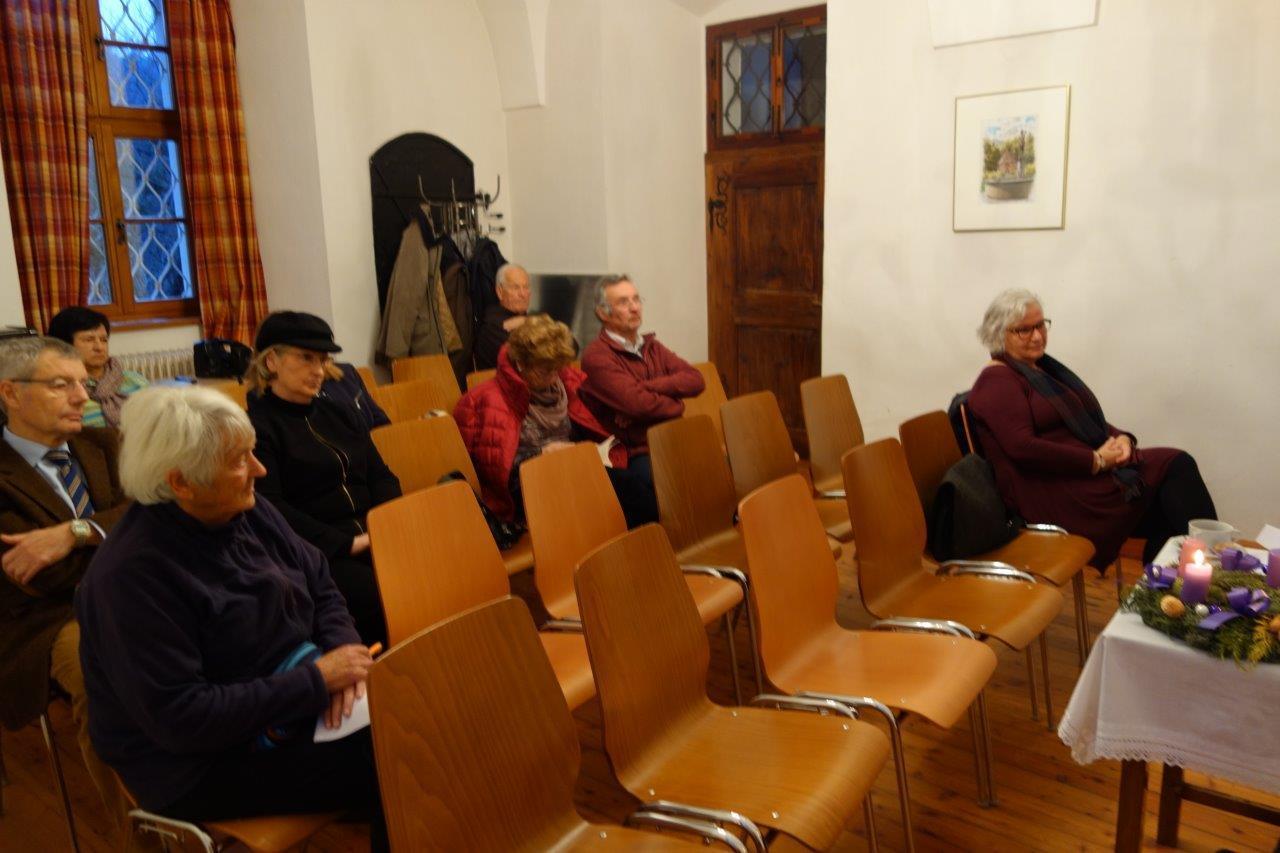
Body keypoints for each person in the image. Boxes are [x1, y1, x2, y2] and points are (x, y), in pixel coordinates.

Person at [75, 386, 386, 850]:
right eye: (240, 460)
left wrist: (341, 648)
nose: (259, 470)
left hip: (283, 698)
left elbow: (319, 578)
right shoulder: (130, 577)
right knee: (401, 754)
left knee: (426, 712)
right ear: (181, 482)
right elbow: (183, 718)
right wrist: (318, 680)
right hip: (197, 763)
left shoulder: (244, 509)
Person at [966, 289, 1216, 570]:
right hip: (1054, 493)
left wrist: (1122, 438)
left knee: (1167, 512)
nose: (1037, 336)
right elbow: (1022, 447)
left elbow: (1082, 419)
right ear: (999, 334)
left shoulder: (1039, 369)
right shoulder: (997, 380)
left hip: (1080, 477)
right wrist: (1095, 460)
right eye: (1024, 330)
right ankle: (1210, 572)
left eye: (1040, 325)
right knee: (1177, 464)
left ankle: (1171, 585)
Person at [0, 336, 131, 836]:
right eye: (61, 385)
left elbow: (152, 510)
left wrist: (75, 532)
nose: (82, 397)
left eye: (83, 384)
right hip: (47, 620)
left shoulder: (102, 445)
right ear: (10, 393)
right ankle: (147, 839)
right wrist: (119, 537)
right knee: (104, 674)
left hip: (131, 594)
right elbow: (42, 577)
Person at [245, 312, 400, 644]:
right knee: (379, 595)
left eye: (322, 359)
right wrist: (346, 543)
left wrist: (386, 523)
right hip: (318, 551)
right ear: (271, 361)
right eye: (306, 358)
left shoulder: (339, 413)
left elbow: (381, 475)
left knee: (441, 566)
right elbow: (270, 507)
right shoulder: (258, 428)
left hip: (375, 532)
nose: (318, 370)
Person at [454, 314, 657, 528]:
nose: (553, 376)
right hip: (528, 486)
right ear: (521, 364)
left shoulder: (566, 381)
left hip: (573, 468)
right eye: (545, 371)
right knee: (627, 492)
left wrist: (619, 414)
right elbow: (487, 472)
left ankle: (642, 540)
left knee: (641, 481)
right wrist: (540, 454)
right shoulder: (484, 400)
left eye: (556, 368)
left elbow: (598, 413)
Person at [580, 274, 705, 483]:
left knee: (721, 472)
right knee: (679, 484)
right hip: (637, 453)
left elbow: (696, 380)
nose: (635, 308)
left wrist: (645, 386)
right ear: (602, 313)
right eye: (623, 302)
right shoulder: (596, 356)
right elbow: (638, 405)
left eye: (636, 299)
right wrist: (677, 403)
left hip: (675, 438)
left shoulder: (651, 346)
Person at [47, 306, 148, 429]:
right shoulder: (59, 393)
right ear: (64, 345)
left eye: (104, 340)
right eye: (89, 340)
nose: (99, 347)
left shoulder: (136, 382)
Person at [472, 263, 532, 370]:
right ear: (500, 292)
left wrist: (529, 321)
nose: (523, 294)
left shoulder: (528, 318)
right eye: (516, 288)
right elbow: (532, 357)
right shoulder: (492, 326)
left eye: (526, 287)